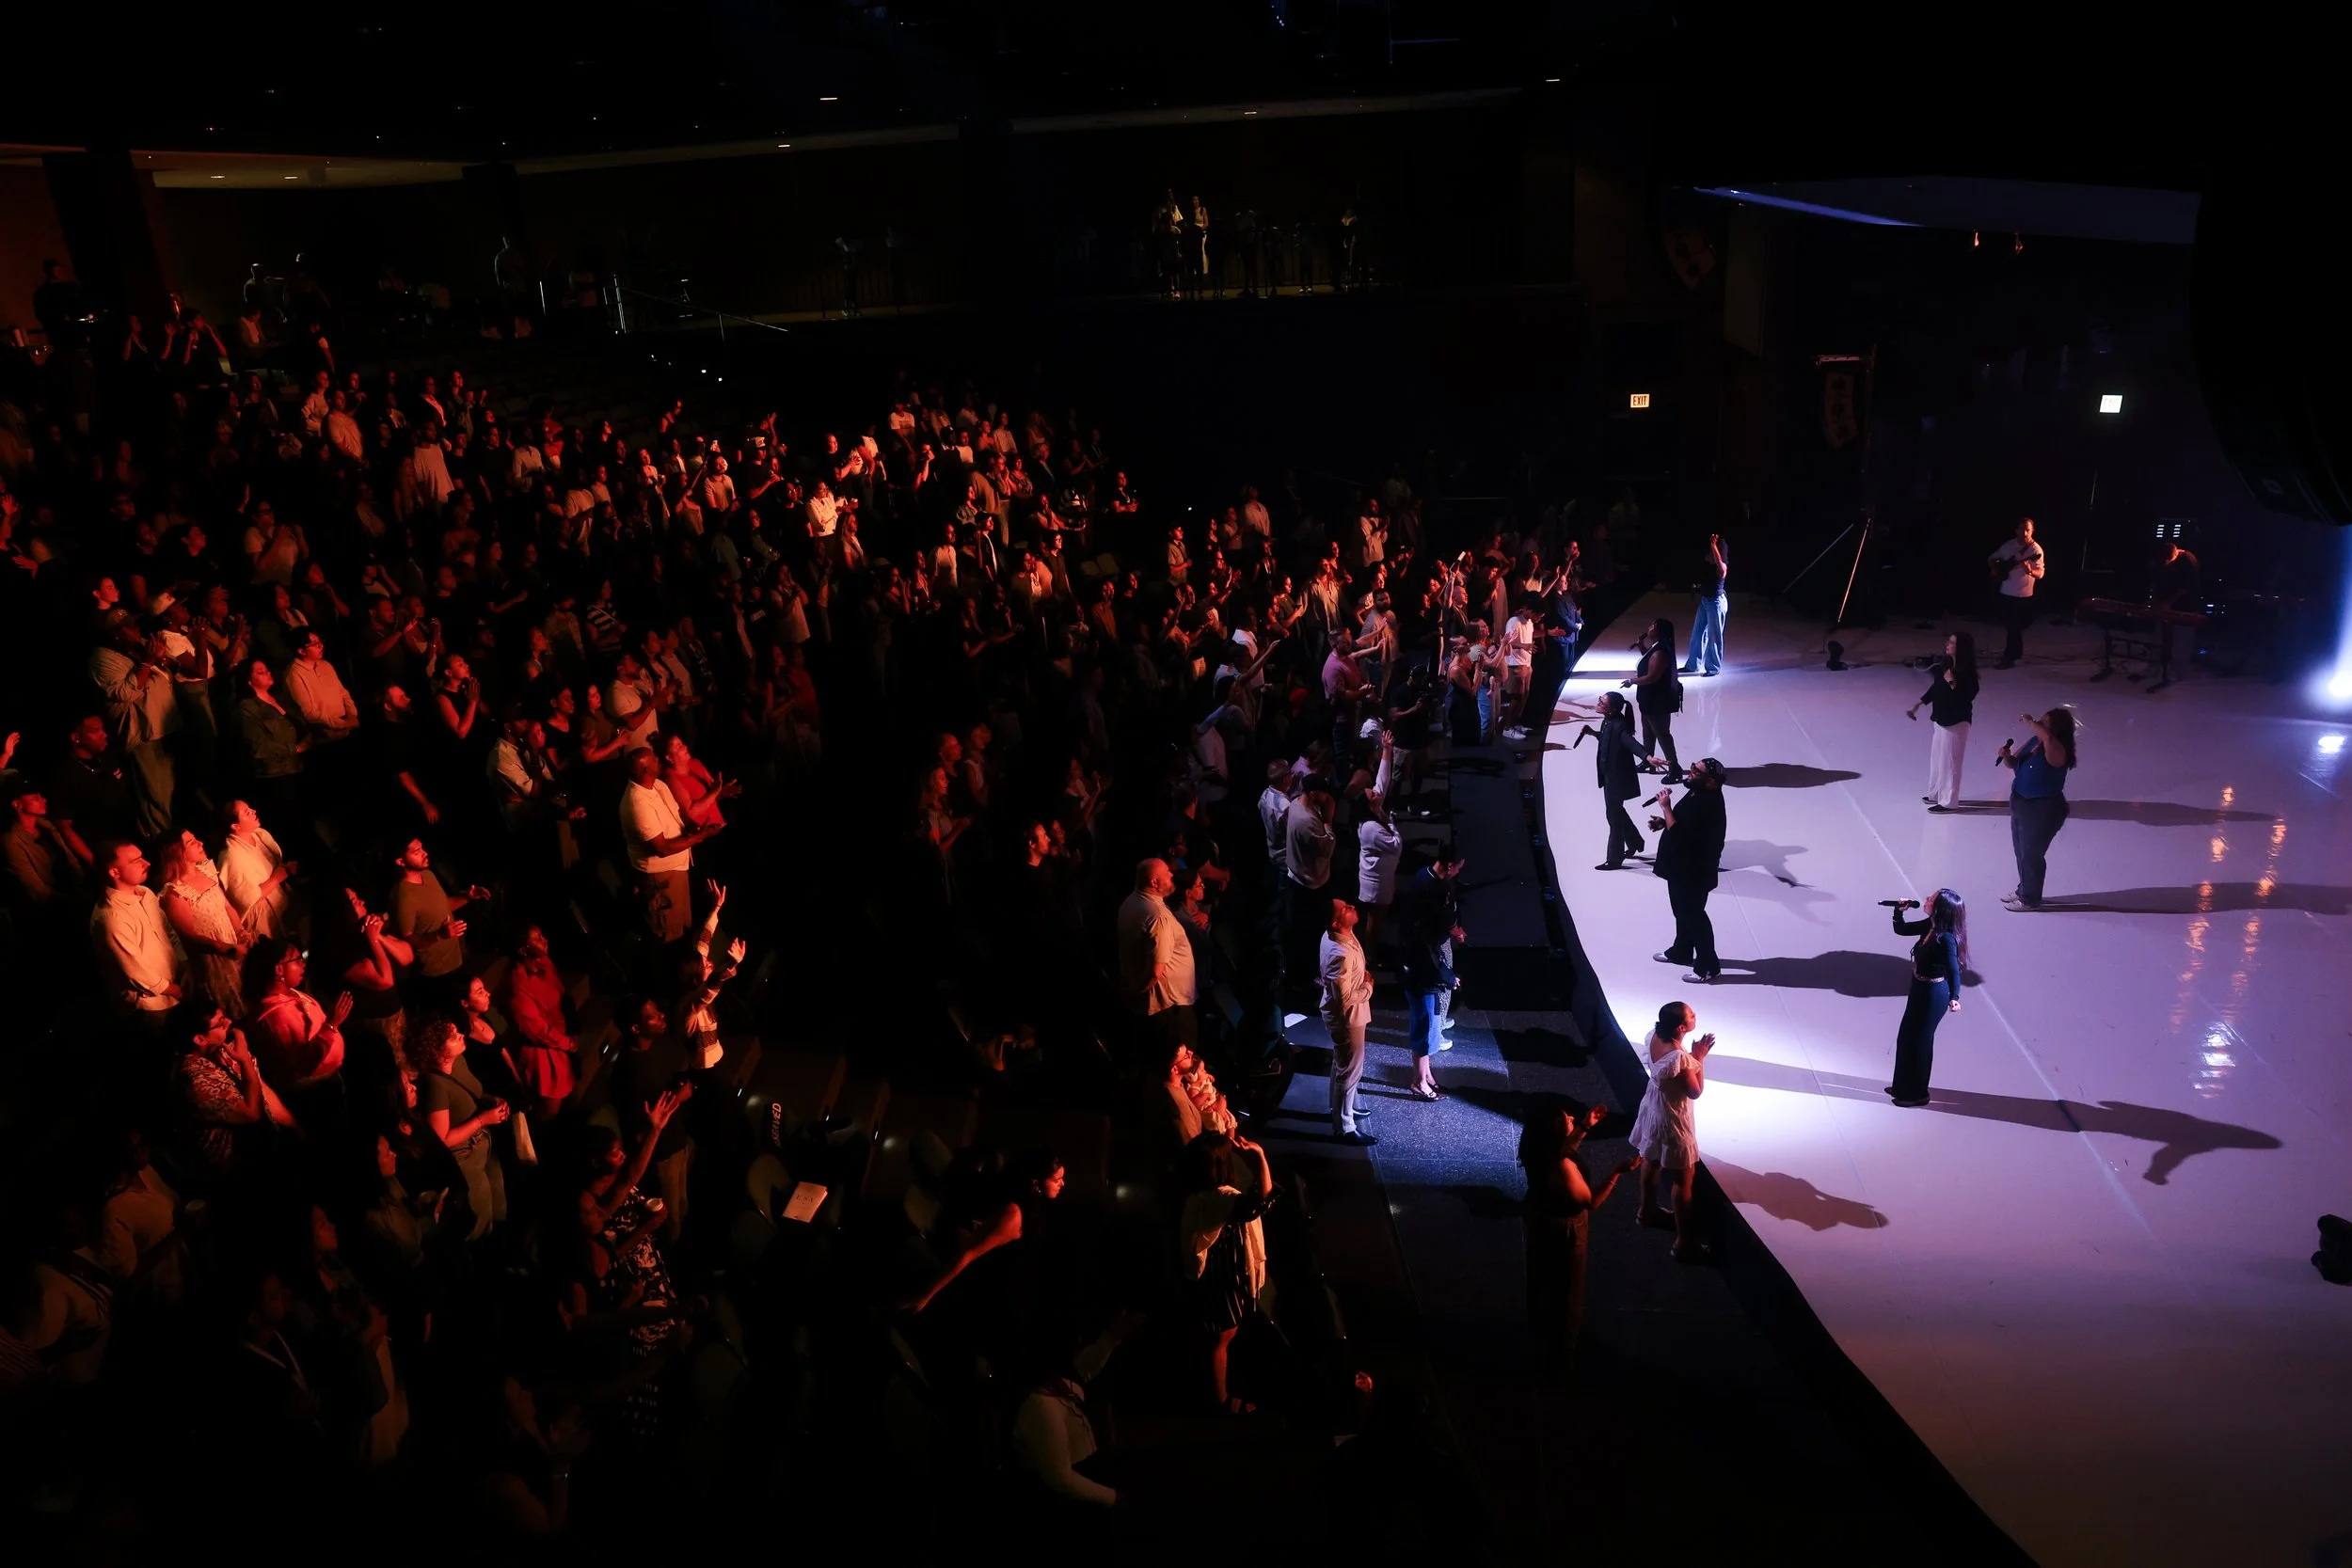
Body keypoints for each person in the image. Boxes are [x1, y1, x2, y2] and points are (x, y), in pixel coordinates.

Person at [1518, 1101, 1632, 1370]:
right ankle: (1563, 1359)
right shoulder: (1562, 1166)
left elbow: (1563, 1149)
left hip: (1538, 1215)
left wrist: (1584, 1126)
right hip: (1565, 1228)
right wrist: (1618, 1172)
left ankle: (1537, 1335)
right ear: (1554, 1131)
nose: (1571, 1116)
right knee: (1569, 1292)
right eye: (1565, 1119)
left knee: (1540, 1277)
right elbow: (1589, 1200)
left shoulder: (1538, 1149)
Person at [1176, 1130, 1272, 1415]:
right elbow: (1259, 1203)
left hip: (1216, 1276)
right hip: (1221, 1279)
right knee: (1221, 1340)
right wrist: (1260, 1159)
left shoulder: (1200, 1193)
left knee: (1218, 1336)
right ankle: (1220, 1401)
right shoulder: (1219, 1197)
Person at [1629, 1002, 1713, 1262]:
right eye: (1691, 1014)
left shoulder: (1655, 1036)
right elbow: (1695, 1091)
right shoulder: (1679, 1058)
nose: (1695, 1015)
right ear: (1681, 1027)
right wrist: (1699, 1057)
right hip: (1672, 1117)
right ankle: (1684, 1242)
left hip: (1654, 1106)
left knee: (1651, 1158)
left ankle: (1647, 1211)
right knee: (1683, 1178)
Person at [412, 1014, 509, 1243]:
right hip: (465, 1154)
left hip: (483, 1144)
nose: (461, 1036)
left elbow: (471, 1092)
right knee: (478, 1219)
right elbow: (441, 1139)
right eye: (453, 1037)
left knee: (498, 1207)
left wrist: (492, 1099)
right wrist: (483, 1120)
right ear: (437, 1051)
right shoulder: (435, 1084)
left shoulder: (459, 1062)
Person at [619, 746, 718, 943]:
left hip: (676, 867)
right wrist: (700, 838)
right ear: (645, 769)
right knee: (669, 928)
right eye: (652, 759)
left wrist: (692, 830)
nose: (657, 758)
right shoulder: (637, 803)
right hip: (661, 876)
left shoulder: (658, 785)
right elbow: (662, 848)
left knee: (682, 920)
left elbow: (677, 816)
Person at [1887, 890, 1966, 1106]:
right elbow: (1902, 930)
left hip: (1933, 995)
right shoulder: (1931, 924)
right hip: (1919, 986)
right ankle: (1902, 1085)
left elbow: (1954, 969)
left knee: (1920, 1044)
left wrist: (1955, 996)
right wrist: (1898, 912)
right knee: (1905, 1037)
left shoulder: (1946, 938)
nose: (1926, 900)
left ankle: (1917, 1093)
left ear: (1941, 908)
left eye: (1931, 899)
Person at [1651, 758, 1727, 983]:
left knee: (1694, 916)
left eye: (1696, 771)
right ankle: (1682, 951)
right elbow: (1684, 825)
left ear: (1711, 780)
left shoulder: (1708, 803)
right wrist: (1664, 821)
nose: (1691, 772)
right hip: (1681, 867)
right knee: (1682, 912)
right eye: (1692, 767)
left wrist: (1665, 808)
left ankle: (1708, 966)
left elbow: (1683, 836)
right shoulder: (1698, 791)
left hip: (1693, 870)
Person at [1397, 850, 1463, 1101]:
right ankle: (1418, 1081)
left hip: (1423, 976)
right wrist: (1448, 977)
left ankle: (1426, 1075)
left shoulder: (1421, 879)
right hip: (1422, 979)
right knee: (1424, 1029)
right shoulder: (1425, 937)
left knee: (1428, 1027)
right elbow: (1430, 959)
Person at [1997, 707, 2075, 911]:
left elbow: (2048, 738)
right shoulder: (2035, 742)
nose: (2040, 723)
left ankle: (2030, 899)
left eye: (2045, 721)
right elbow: (2013, 765)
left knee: (2031, 855)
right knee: (2021, 851)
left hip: (2043, 810)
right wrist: (2006, 756)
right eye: (2041, 719)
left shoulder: (2057, 749)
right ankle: (2024, 888)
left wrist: (2030, 721)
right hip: (2021, 804)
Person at [1116, 858, 1197, 1053]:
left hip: (1161, 1003)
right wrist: (1133, 993)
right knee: (1183, 1055)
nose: (1172, 875)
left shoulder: (1130, 902)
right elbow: (1155, 971)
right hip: (1168, 1005)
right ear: (1154, 883)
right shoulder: (1157, 917)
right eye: (1167, 873)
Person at [1319, 897, 1375, 1146]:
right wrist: (1368, 988)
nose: (1351, 907)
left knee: (1343, 1065)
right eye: (1344, 909)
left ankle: (1342, 1108)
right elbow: (1345, 1000)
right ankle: (1344, 1126)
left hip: (1350, 1016)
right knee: (1349, 1070)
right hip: (1348, 1019)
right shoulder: (1339, 954)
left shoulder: (1342, 936)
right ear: (1335, 921)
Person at [1907, 632, 1979, 812]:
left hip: (1956, 721)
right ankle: (1937, 793)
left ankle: (1949, 801)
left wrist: (1953, 682)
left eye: (1952, 642)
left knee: (1950, 762)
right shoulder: (1946, 665)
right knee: (1938, 759)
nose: (1947, 644)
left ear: (1961, 648)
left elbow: (1967, 696)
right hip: (1941, 719)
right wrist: (1920, 702)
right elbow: (1936, 688)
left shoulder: (1967, 672)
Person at [1583, 691, 1645, 869]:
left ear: (1611, 709)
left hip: (1617, 779)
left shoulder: (1620, 726)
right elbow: (1606, 739)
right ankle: (1635, 841)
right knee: (1616, 811)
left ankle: (1614, 859)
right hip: (1609, 776)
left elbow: (1631, 744)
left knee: (1613, 816)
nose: (1598, 703)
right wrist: (1592, 733)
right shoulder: (1608, 721)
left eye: (1602, 702)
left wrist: (1647, 757)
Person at [1620, 617, 1682, 783]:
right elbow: (1649, 661)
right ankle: (1648, 761)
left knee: (1662, 735)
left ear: (1660, 632)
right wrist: (1641, 646)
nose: (1649, 627)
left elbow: (1652, 677)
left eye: (1653, 626)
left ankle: (1674, 768)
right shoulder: (1655, 648)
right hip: (1648, 699)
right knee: (1648, 733)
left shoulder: (1661, 652)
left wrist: (1631, 681)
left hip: (1657, 702)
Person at [1987, 516, 2046, 670]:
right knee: (2012, 627)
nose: (2025, 533)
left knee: (2016, 626)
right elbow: (1992, 559)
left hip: (2024, 595)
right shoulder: (2009, 545)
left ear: (2032, 531)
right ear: (2017, 530)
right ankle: (2013, 655)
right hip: (2007, 591)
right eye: (2023, 529)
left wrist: (2031, 571)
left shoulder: (2035, 550)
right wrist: (1996, 570)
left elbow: (2041, 573)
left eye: (2028, 529)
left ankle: (2009, 657)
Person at [1682, 534, 1727, 677]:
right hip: (1706, 602)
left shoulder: (1722, 565)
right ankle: (1692, 665)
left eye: (1711, 551)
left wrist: (1714, 546)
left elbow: (1722, 571)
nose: (1706, 554)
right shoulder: (1707, 566)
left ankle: (1713, 668)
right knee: (1698, 633)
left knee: (1714, 637)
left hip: (1716, 603)